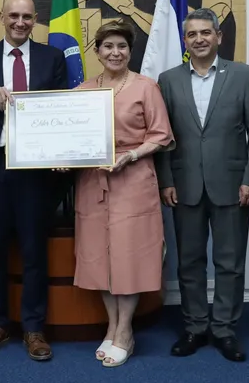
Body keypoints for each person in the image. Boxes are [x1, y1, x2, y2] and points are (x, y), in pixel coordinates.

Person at [154, 8, 249, 362]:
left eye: (206, 33)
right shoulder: (168, 80)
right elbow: (162, 136)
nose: (199, 39)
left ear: (219, 36)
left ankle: (224, 329)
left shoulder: (244, 76)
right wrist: (166, 181)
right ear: (184, 41)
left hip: (233, 185)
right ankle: (195, 326)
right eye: (192, 34)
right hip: (183, 184)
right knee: (189, 261)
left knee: (230, 262)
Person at [0, 0, 67, 361]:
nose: (20, 22)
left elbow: (61, 110)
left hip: (35, 171)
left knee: (33, 252)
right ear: (2, 18)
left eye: (26, 17)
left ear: (35, 19)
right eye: (13, 16)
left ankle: (33, 328)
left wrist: (59, 154)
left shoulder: (52, 59)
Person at [71, 20, 174, 368]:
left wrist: (131, 154)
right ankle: (112, 325)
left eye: (122, 47)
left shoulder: (146, 87)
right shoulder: (83, 91)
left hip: (133, 180)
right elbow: (70, 139)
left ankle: (125, 331)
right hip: (92, 184)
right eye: (108, 46)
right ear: (97, 52)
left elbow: (161, 136)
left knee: (129, 256)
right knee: (99, 256)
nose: (115, 52)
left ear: (130, 51)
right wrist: (61, 159)